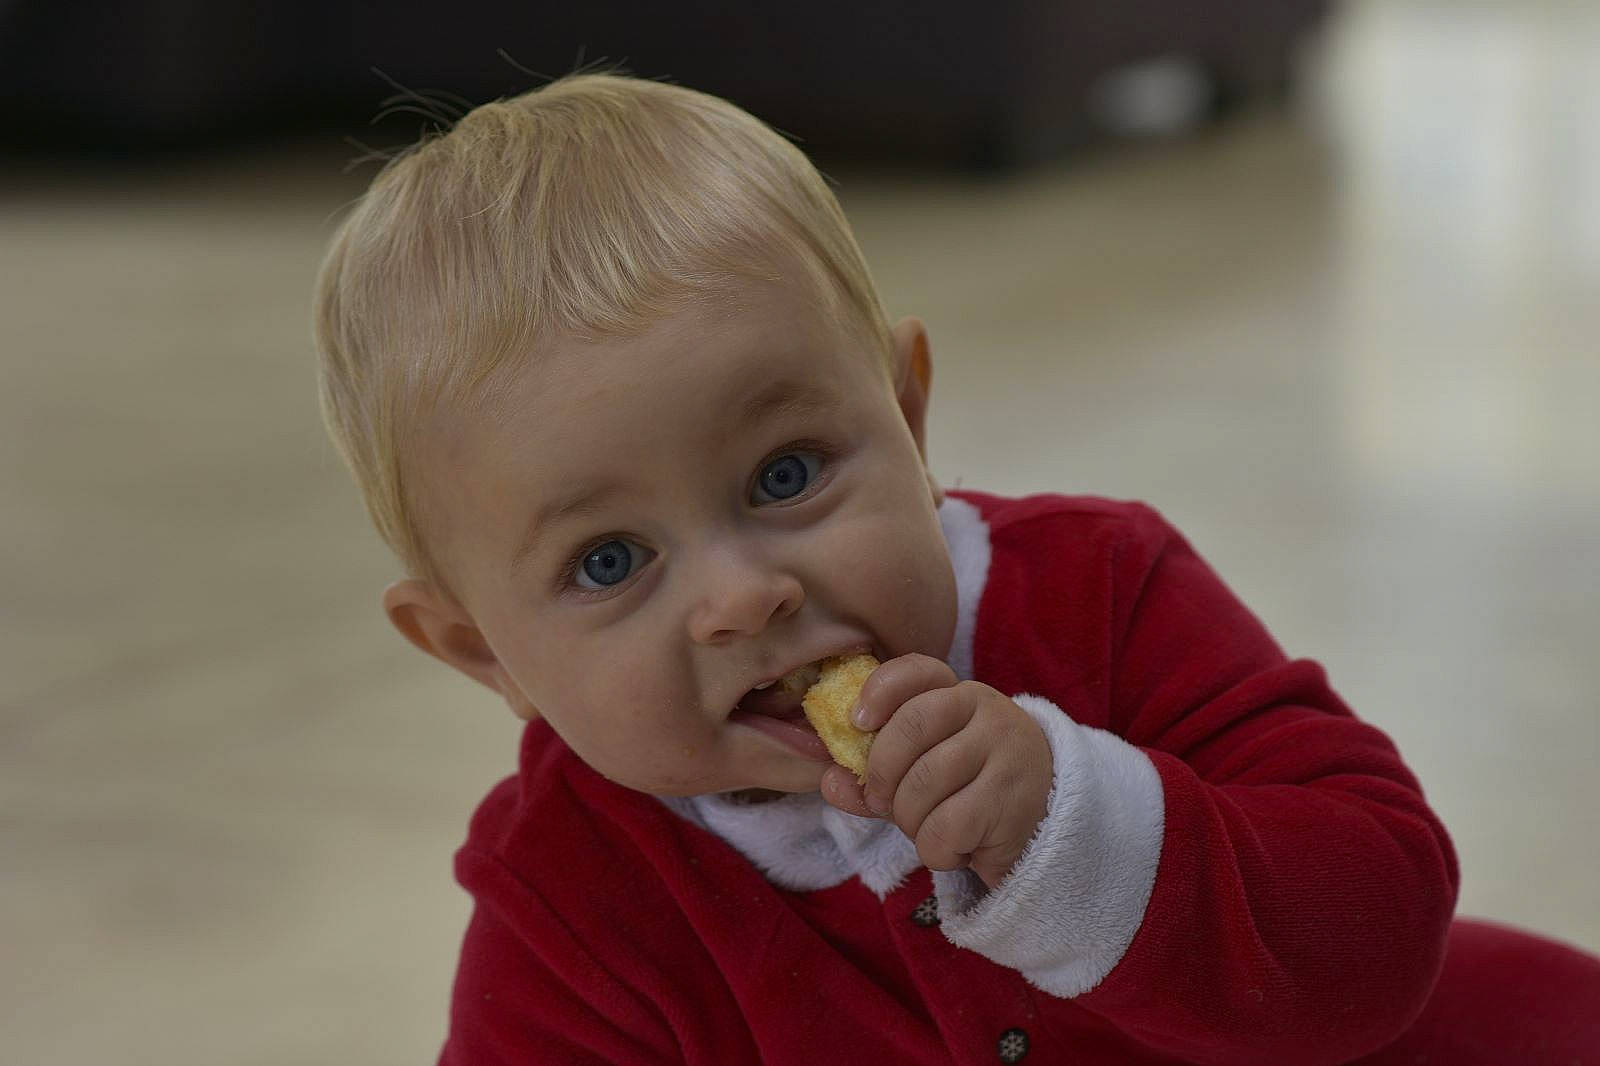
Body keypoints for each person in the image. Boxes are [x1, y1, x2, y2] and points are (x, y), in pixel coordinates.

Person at [312, 72, 1600, 1064]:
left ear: (909, 419)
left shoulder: (1100, 590)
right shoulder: (572, 899)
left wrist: (1076, 824)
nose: (742, 597)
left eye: (785, 475)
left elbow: (1382, 925)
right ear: (482, 649)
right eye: (608, 560)